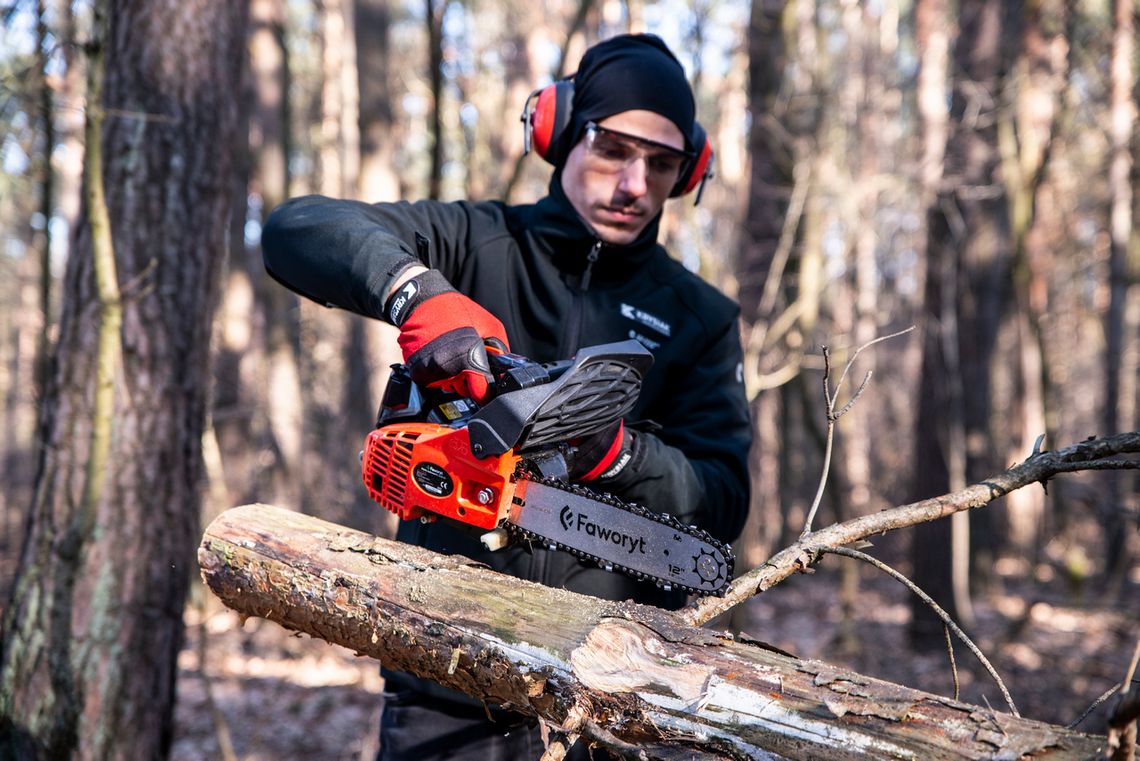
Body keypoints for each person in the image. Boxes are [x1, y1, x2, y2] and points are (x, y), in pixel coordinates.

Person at [262, 33, 752, 761]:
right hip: (446, 671)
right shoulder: (474, 243)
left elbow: (721, 499)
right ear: (557, 132)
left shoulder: (699, 316)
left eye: (661, 163)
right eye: (613, 148)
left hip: (620, 694)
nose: (634, 185)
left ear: (689, 172)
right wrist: (416, 293)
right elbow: (295, 228)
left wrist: (618, 454)